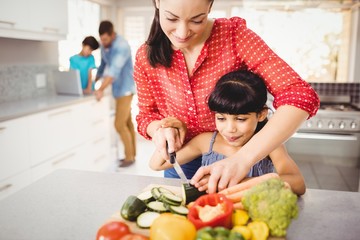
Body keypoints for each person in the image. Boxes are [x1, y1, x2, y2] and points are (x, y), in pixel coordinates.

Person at [134, 0, 319, 193]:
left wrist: (243, 159)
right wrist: (160, 129)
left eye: (197, 20)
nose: (182, 33)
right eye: (171, 18)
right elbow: (146, 116)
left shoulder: (235, 37)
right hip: (180, 161)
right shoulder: (144, 56)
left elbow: (300, 95)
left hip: (239, 155)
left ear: (210, 6)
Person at [149, 70, 306, 195]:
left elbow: (298, 184)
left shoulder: (269, 144)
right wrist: (168, 128)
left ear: (261, 115)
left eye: (240, 119)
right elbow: (157, 164)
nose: (230, 129)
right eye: (221, 118)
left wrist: (241, 182)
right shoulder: (206, 141)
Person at [95, 20, 136, 167]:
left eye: (105, 39)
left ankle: (129, 157)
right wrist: (95, 80)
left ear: (112, 35)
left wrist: (99, 89)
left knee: (119, 124)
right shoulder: (105, 45)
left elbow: (113, 72)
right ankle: (132, 155)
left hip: (126, 89)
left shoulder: (121, 46)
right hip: (117, 90)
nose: (103, 42)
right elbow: (103, 65)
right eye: (101, 39)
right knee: (127, 122)